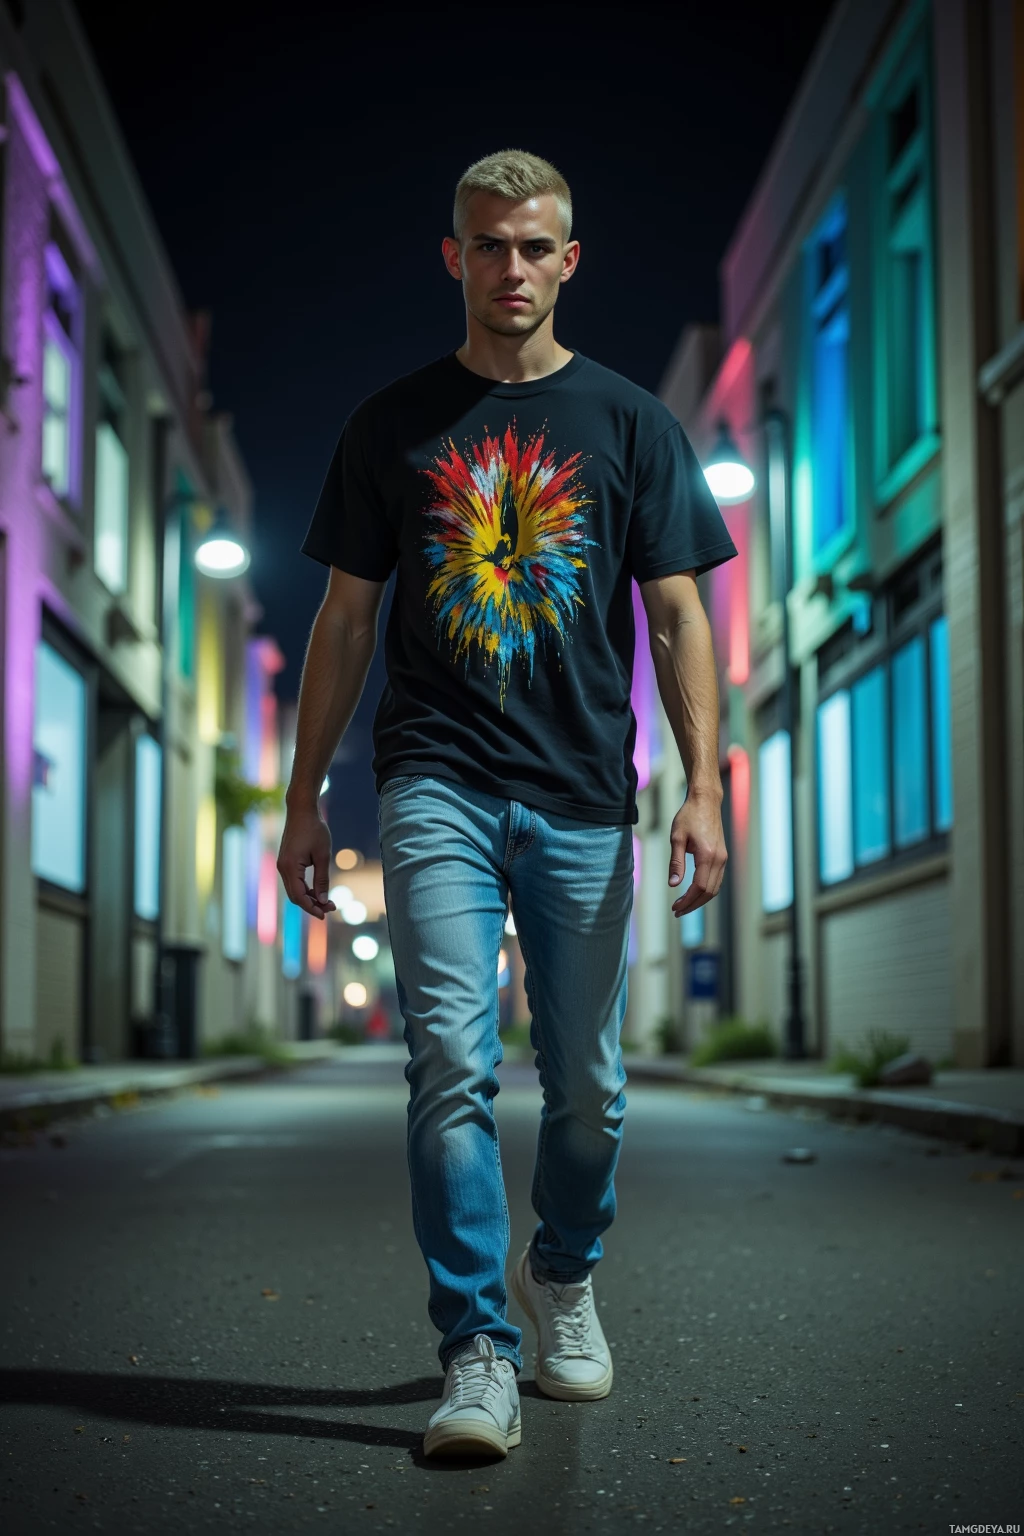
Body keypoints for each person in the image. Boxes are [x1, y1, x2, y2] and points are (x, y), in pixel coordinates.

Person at [278, 148, 736, 1460]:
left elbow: (678, 612)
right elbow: (346, 619)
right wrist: (306, 800)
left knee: (588, 1089)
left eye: (537, 247)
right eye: (491, 246)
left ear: (569, 258)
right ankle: (475, 1345)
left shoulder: (633, 424)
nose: (514, 269)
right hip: (437, 785)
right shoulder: (391, 425)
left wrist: (702, 788)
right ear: (455, 257)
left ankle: (564, 1271)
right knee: (450, 1068)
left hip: (589, 792)